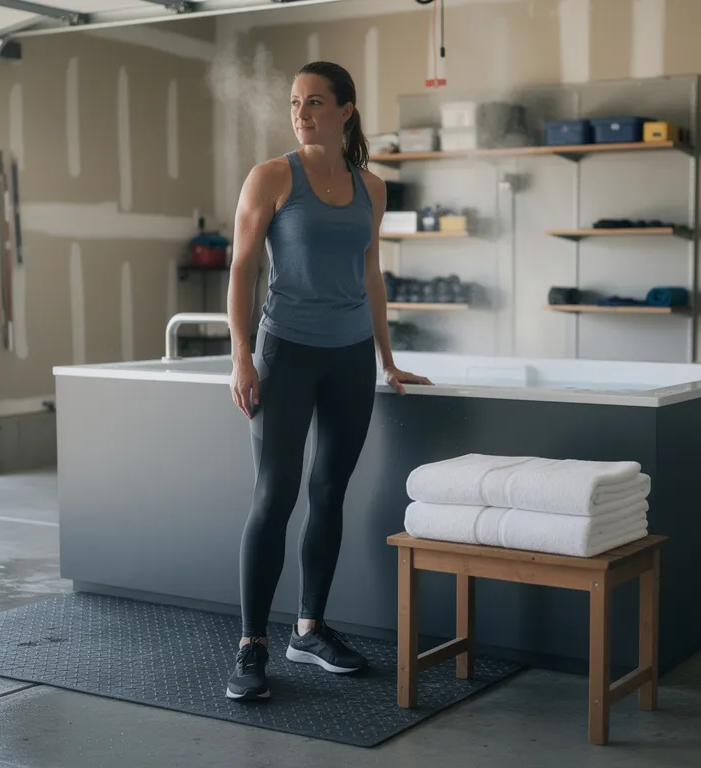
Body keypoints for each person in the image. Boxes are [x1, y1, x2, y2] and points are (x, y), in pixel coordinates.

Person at [223, 61, 431, 701]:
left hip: (349, 358)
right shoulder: (271, 177)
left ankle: (308, 630)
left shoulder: (372, 188)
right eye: (294, 102)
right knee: (274, 497)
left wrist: (387, 358)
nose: (301, 113)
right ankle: (252, 645)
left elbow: (371, 275)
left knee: (329, 492)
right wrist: (241, 356)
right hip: (285, 352)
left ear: (346, 110)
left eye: (314, 102)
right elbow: (241, 269)